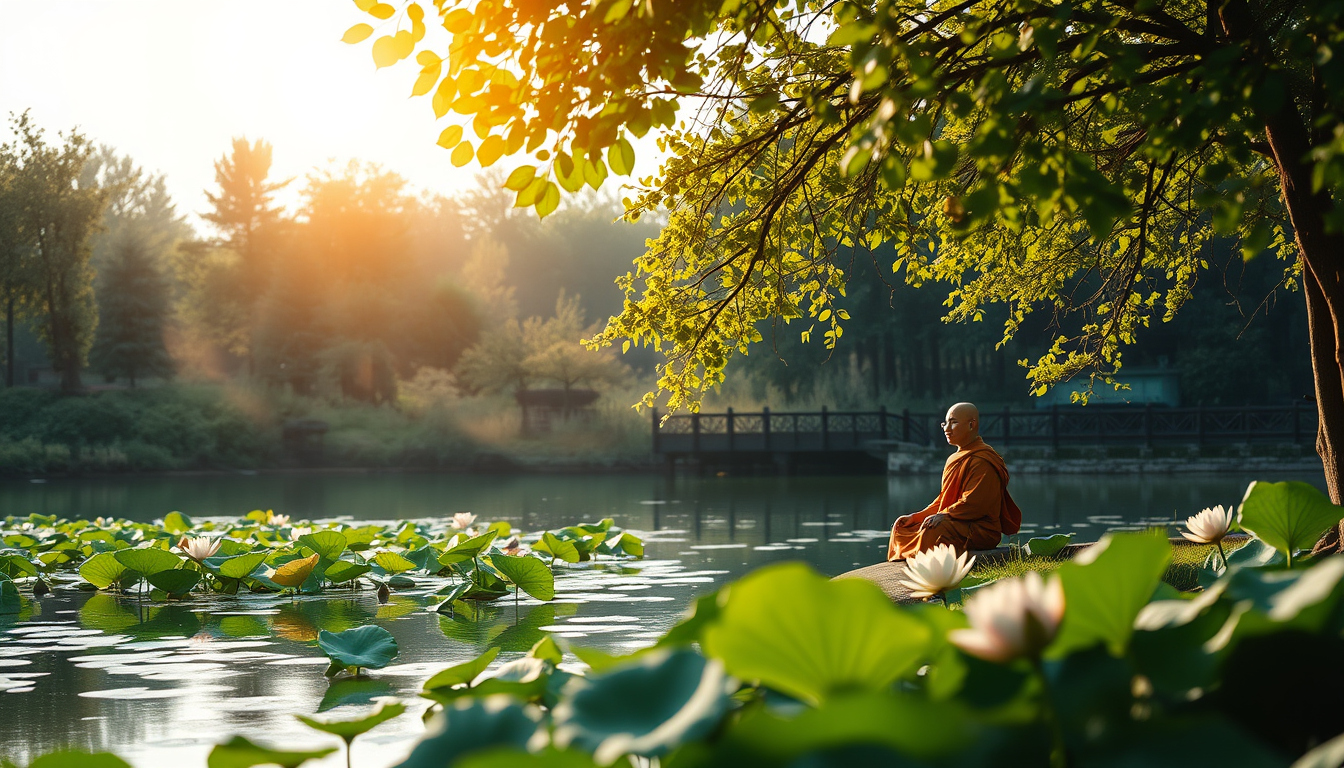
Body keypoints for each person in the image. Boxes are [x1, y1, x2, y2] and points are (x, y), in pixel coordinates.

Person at [887, 402, 1022, 561]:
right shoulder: (954, 458)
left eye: (954, 422)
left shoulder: (983, 460)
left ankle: (921, 557)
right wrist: (917, 516)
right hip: (954, 521)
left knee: (935, 530)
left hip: (979, 529)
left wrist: (945, 516)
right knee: (902, 526)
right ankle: (914, 552)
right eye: (945, 423)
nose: (947, 428)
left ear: (971, 425)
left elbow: (975, 504)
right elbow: (945, 498)